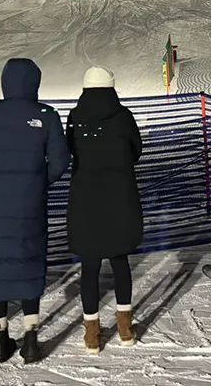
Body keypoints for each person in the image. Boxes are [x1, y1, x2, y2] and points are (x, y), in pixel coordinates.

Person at [0, 58, 71, 364]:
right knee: (29, 263)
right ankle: (30, 341)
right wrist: (37, 180)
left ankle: (0, 341)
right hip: (31, 203)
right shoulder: (46, 115)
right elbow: (61, 160)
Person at [65, 67, 142, 354]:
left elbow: (69, 148)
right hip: (119, 196)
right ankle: (124, 328)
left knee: (89, 266)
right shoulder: (123, 116)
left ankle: (92, 334)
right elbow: (137, 150)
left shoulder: (75, 117)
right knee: (120, 261)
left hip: (85, 198)